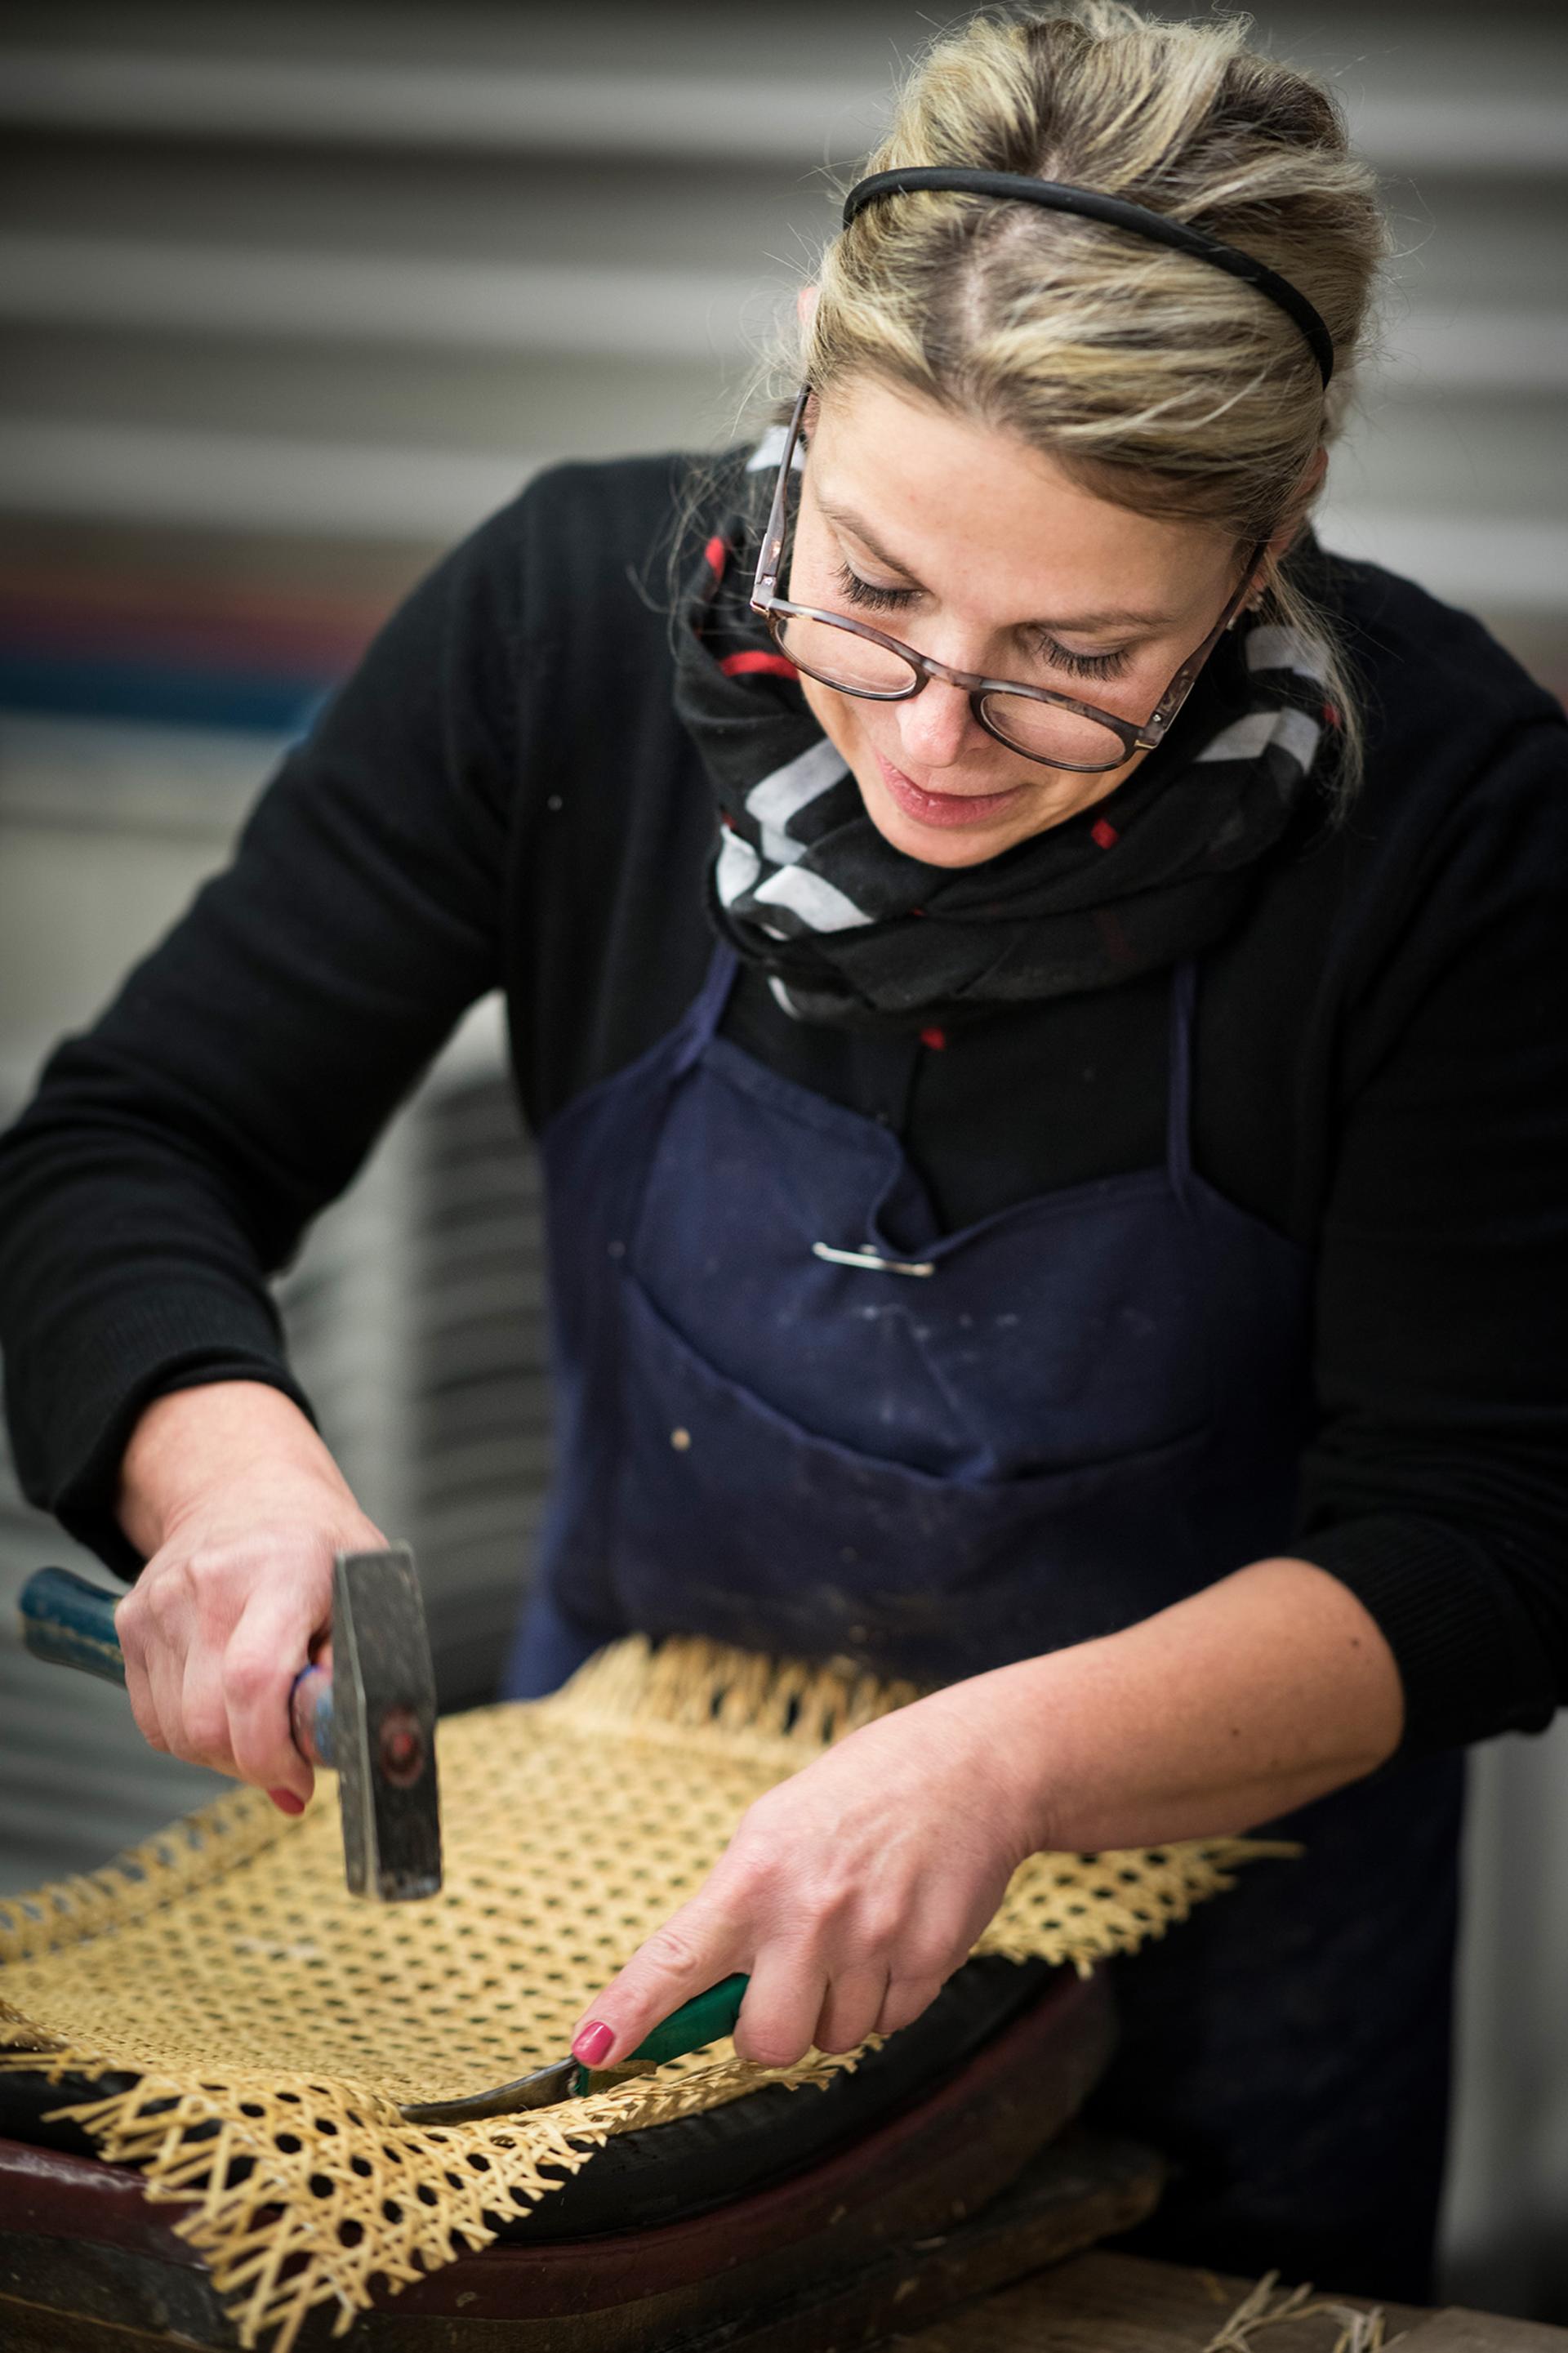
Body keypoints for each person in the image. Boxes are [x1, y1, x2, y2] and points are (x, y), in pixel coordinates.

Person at [2, 0, 1564, 2298]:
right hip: (607, 1873)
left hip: (1221, 1988)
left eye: (1075, 656)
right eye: (874, 588)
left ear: (1268, 545)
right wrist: (226, 1477)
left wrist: (997, 1769)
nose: (933, 737)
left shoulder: (1450, 817)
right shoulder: (559, 626)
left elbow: (1497, 1536)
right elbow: (133, 1137)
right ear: (805, 408)